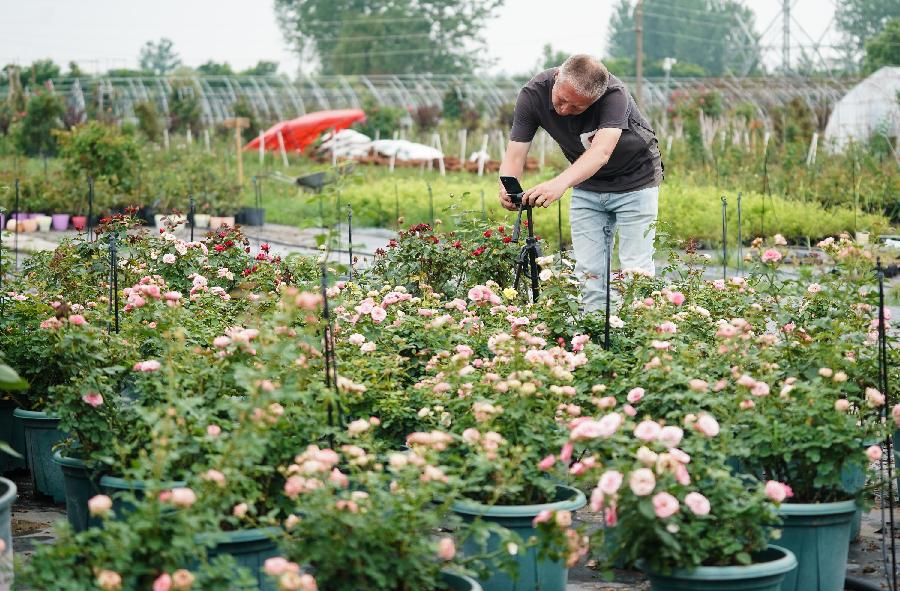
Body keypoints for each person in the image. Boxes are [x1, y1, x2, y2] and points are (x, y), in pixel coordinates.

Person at [499, 54, 663, 312]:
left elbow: (601, 153)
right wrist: (507, 185)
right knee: (589, 271)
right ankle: (595, 337)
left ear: (595, 99)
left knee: (636, 269)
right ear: (556, 79)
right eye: (561, 101)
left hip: (637, 180)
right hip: (588, 184)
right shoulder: (533, 94)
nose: (564, 110)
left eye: (577, 108)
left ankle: (639, 337)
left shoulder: (614, 95)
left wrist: (558, 184)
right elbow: (516, 152)